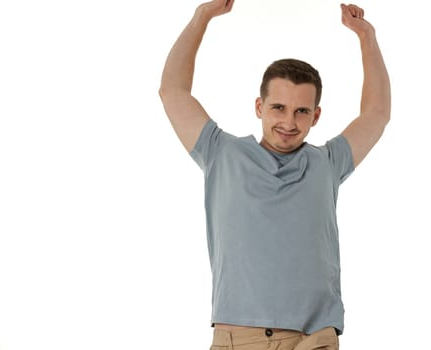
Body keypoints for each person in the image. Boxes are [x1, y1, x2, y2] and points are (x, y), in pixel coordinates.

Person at [159, 1, 390, 349]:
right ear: (259, 107)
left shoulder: (327, 162)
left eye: (301, 111)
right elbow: (173, 91)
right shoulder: (222, 152)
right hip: (240, 336)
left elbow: (377, 113)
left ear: (315, 116)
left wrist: (367, 38)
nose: (289, 122)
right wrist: (202, 17)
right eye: (278, 108)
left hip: (313, 337)